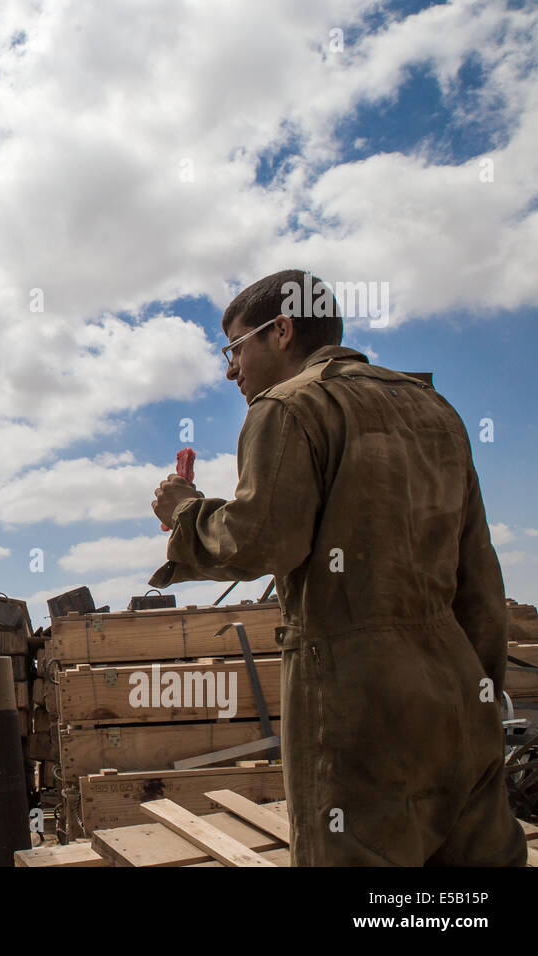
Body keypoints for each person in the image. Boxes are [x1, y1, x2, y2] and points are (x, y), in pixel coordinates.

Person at [149, 269, 526, 866]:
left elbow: (258, 543)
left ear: (282, 331)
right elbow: (480, 583)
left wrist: (187, 515)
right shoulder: (435, 410)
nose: (229, 370)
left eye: (234, 348)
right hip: (458, 697)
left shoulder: (290, 406)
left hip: (356, 707)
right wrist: (480, 695)